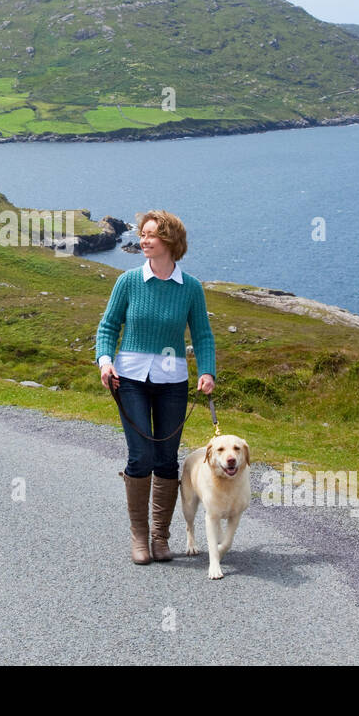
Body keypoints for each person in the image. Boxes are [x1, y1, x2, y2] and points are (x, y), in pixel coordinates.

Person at [96, 210, 216, 565]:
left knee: (165, 459)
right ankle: (139, 537)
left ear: (170, 241)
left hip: (172, 382)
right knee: (141, 456)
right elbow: (107, 328)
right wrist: (105, 362)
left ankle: (161, 537)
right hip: (129, 379)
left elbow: (203, 335)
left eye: (151, 235)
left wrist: (206, 372)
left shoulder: (191, 288)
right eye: (142, 234)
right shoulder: (129, 282)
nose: (143, 240)